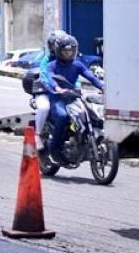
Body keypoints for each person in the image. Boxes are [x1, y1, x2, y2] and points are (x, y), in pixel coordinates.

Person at [41, 34, 105, 162]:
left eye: (70, 50)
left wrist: (103, 86)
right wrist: (58, 88)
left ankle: (81, 140)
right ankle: (54, 148)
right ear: (58, 51)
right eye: (65, 51)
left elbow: (90, 77)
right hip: (57, 98)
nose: (68, 53)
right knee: (62, 116)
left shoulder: (77, 65)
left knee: (88, 114)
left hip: (73, 98)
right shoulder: (51, 65)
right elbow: (50, 79)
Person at [30, 29, 67, 149]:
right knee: (44, 107)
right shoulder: (46, 60)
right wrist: (55, 88)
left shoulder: (69, 60)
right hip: (46, 93)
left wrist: (77, 88)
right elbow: (45, 78)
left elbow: (76, 76)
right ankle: (37, 135)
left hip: (64, 93)